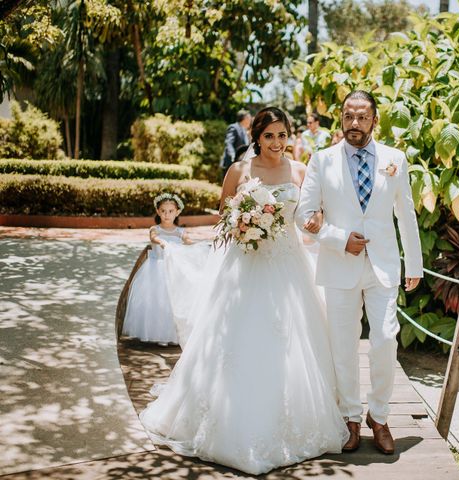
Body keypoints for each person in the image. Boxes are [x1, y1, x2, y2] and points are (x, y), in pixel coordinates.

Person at [139, 107, 349, 475]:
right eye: (269, 135)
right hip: (243, 266)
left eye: (282, 135)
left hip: (287, 264)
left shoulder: (301, 170)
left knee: (290, 340)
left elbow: (313, 216)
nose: (277, 143)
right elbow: (224, 216)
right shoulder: (238, 171)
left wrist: (316, 224)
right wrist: (243, 224)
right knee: (236, 340)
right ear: (256, 137)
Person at [296, 90, 423, 455]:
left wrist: (413, 264)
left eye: (362, 116)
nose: (354, 123)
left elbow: (406, 215)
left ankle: (378, 416)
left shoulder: (395, 159)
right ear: (340, 117)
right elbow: (302, 216)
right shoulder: (322, 160)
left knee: (385, 339)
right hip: (339, 266)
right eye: (348, 116)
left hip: (383, 266)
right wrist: (337, 238)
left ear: (374, 120)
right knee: (342, 348)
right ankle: (350, 417)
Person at [122, 193, 193, 346]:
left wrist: (192, 244)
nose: (167, 215)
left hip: (174, 271)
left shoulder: (181, 232)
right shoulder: (155, 229)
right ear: (158, 211)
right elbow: (154, 238)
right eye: (163, 211)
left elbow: (189, 241)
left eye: (170, 211)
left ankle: (174, 335)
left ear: (177, 212)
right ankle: (155, 333)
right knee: (156, 301)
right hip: (156, 270)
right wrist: (162, 242)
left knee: (174, 301)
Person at [221, 109, 251, 175]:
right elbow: (229, 143)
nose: (250, 120)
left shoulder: (244, 131)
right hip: (231, 163)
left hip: (240, 164)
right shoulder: (234, 127)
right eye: (249, 118)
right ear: (244, 118)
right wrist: (233, 156)